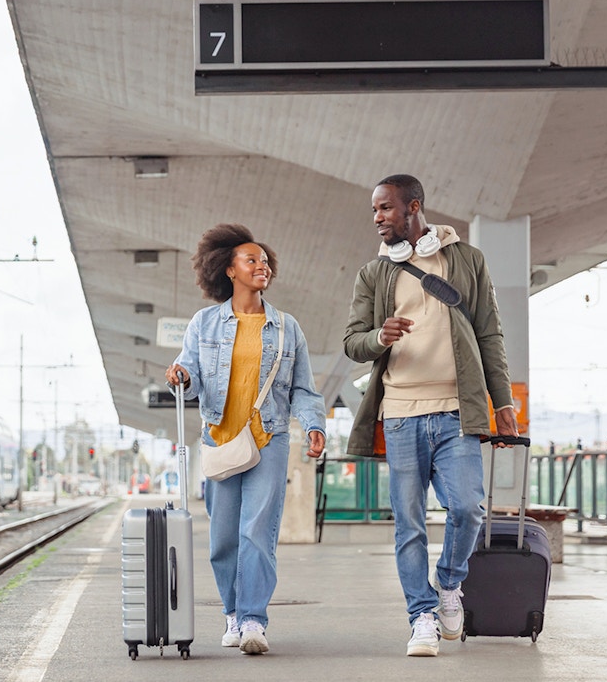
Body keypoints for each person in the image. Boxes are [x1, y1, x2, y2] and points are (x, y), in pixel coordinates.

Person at [344, 174, 519, 657]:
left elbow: (490, 336)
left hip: (455, 412)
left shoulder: (465, 260)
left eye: (384, 209)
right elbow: (352, 341)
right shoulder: (373, 274)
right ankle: (420, 615)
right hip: (400, 414)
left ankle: (448, 584)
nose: (377, 218)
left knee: (467, 508)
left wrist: (502, 405)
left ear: (413, 207)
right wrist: (380, 336)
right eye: (374, 211)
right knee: (409, 523)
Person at [166, 223, 327, 656]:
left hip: (268, 439)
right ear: (229, 270)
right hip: (220, 439)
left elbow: (304, 389)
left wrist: (314, 426)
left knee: (257, 531)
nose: (263, 266)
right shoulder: (204, 323)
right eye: (251, 260)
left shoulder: (286, 327)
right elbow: (191, 376)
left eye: (265, 260)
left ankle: (254, 619)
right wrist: (180, 376)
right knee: (223, 538)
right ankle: (233, 613)